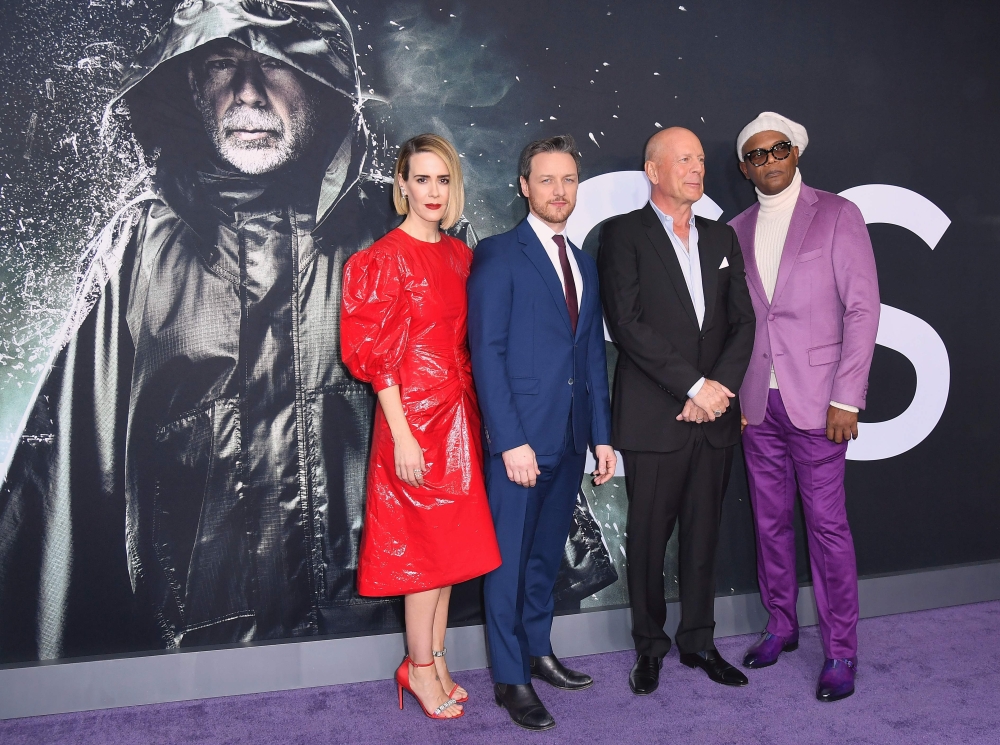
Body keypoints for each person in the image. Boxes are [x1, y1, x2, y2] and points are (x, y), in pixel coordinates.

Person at [0, 0, 433, 658]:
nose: (248, 94)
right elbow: (66, 498)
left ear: (320, 80)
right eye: (223, 65)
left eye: (274, 65)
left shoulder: (402, 238)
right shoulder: (137, 252)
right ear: (191, 83)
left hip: (386, 658)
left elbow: (482, 440)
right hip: (204, 684)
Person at [341, 134, 501, 720]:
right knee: (422, 561)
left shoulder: (461, 256)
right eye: (421, 179)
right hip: (414, 422)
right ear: (402, 185)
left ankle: (432, 656)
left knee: (449, 555)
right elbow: (374, 356)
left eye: (442, 180)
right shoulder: (382, 260)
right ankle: (420, 668)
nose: (432, 191)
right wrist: (403, 433)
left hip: (459, 417)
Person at [598, 127, 755, 696]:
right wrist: (692, 387)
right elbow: (628, 325)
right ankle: (649, 647)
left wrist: (717, 391)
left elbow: (744, 323)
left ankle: (699, 641)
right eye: (683, 159)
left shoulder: (722, 239)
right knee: (646, 541)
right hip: (655, 417)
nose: (697, 168)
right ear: (653, 170)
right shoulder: (622, 236)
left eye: (701, 159)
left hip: (712, 420)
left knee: (704, 535)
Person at [729, 112, 879, 702]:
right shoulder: (734, 228)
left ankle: (841, 648)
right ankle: (781, 626)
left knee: (826, 526)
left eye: (779, 150)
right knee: (769, 523)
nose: (769, 161)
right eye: (757, 155)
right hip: (756, 406)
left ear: (797, 153)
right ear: (744, 167)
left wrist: (847, 396)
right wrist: (739, 392)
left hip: (821, 405)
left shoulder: (837, 214)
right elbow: (740, 323)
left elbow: (862, 310)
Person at [468, 135, 616, 731]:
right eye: (547, 180)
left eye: (569, 180)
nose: (560, 191)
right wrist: (510, 440)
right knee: (506, 564)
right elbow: (487, 351)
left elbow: (590, 359)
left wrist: (602, 436)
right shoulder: (499, 255)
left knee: (543, 559)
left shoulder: (582, 261)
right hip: (521, 444)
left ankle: (537, 649)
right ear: (524, 186)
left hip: (571, 439)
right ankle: (510, 679)